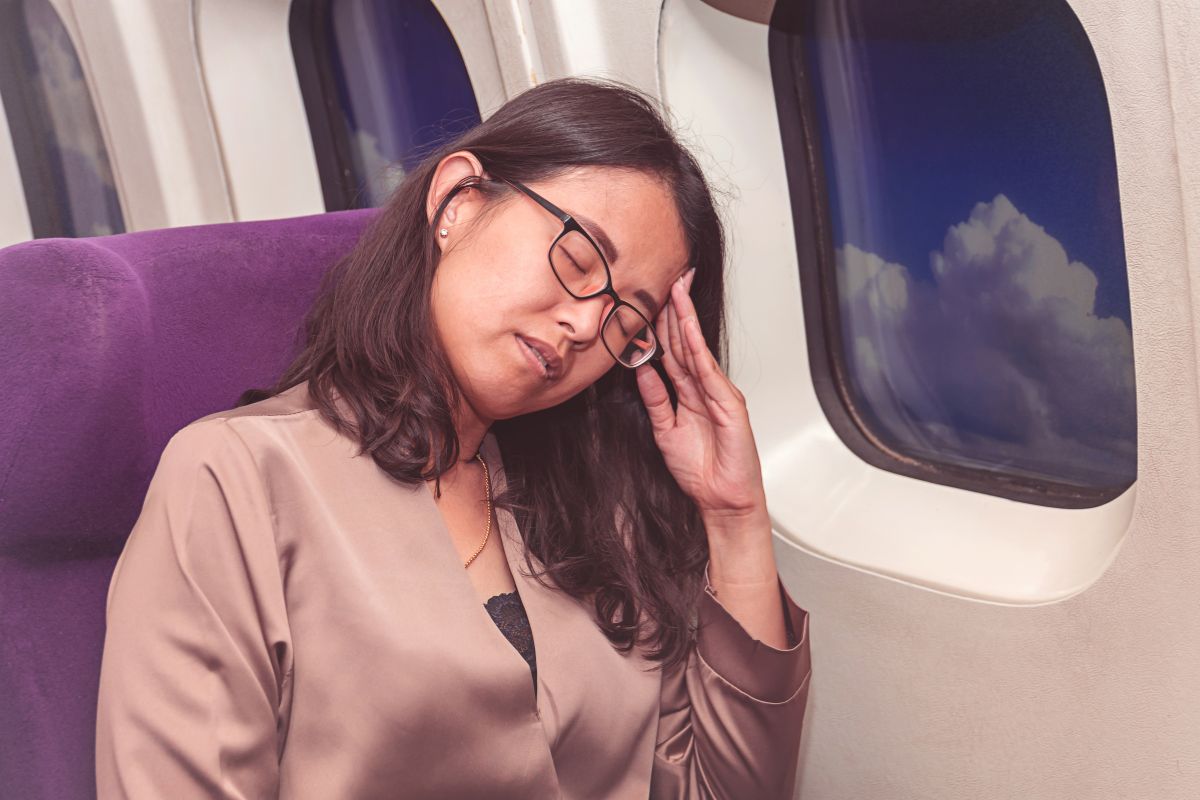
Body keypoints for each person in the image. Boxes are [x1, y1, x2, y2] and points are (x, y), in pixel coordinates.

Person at [95, 77, 811, 799]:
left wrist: (734, 515)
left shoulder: (600, 518)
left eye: (629, 319)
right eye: (579, 259)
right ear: (459, 203)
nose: (589, 326)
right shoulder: (238, 478)